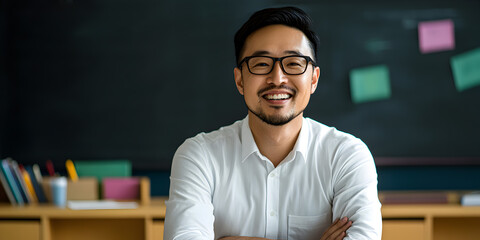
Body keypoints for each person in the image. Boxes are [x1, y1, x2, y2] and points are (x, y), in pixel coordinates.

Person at [164, 6, 382, 240]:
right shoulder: (199, 156)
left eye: (294, 63)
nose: (277, 78)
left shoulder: (346, 155)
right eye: (260, 64)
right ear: (240, 80)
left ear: (314, 79)